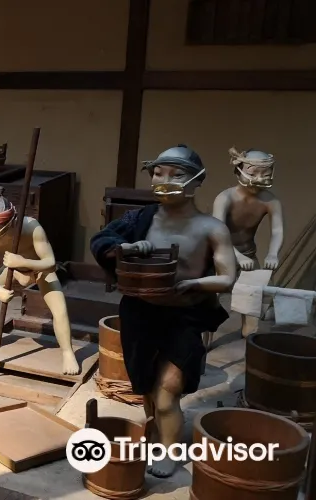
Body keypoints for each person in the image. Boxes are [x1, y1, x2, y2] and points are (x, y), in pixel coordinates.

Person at [89, 144, 237, 478]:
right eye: (158, 173)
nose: (164, 180)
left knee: (167, 391)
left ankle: (169, 451)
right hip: (140, 312)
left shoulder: (212, 228)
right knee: (145, 386)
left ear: (197, 181)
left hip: (183, 317)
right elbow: (102, 240)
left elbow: (227, 278)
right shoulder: (140, 218)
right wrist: (124, 248)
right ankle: (154, 435)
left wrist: (195, 284)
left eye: (176, 174)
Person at [0, 190, 80, 375]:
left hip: (39, 271)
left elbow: (50, 263)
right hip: (12, 270)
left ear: (12, 223)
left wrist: (23, 262)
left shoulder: (32, 228)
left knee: (60, 310)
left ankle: (67, 352)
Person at [212, 148, 283, 336]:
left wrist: (273, 253)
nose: (258, 179)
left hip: (249, 254)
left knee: (253, 300)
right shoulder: (225, 198)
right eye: (253, 173)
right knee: (209, 300)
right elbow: (218, 233)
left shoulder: (270, 201)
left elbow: (277, 230)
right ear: (239, 171)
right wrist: (237, 256)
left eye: (265, 174)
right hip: (220, 255)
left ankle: (249, 335)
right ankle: (203, 340)